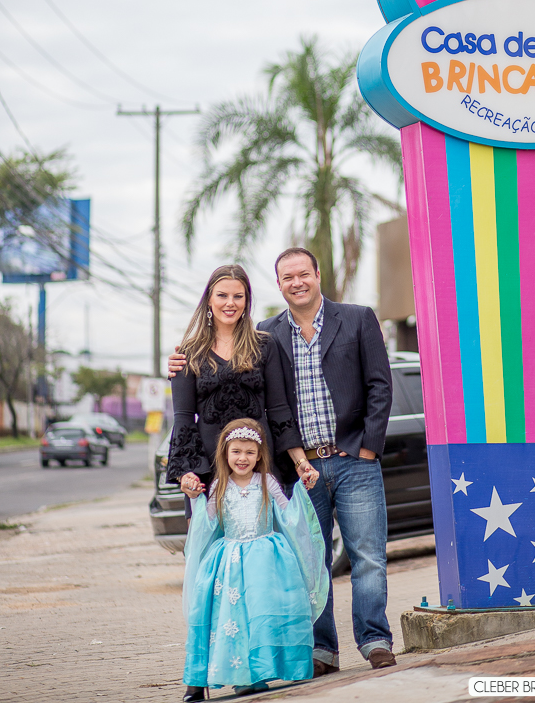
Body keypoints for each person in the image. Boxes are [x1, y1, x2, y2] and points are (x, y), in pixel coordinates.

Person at [170, 247, 395, 675]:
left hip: (342, 461)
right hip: (285, 471)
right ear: (278, 285)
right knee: (307, 557)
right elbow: (196, 412)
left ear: (316, 274)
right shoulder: (266, 336)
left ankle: (374, 640)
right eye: (287, 276)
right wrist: (184, 468)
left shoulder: (352, 319)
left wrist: (367, 447)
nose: (297, 282)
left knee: (367, 556)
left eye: (303, 274)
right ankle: (320, 650)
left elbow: (378, 386)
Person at [181, 418, 328, 701]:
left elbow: (288, 515)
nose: (242, 458)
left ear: (259, 455)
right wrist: (194, 498)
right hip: (230, 563)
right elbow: (208, 525)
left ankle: (257, 673)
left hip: (265, 562)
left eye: (250, 452)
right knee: (231, 618)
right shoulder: (218, 486)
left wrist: (301, 489)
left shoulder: (267, 482)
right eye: (236, 451)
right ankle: (229, 676)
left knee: (260, 616)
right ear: (225, 453)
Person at [166, 265, 317, 507]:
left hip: (260, 465)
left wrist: (300, 462)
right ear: (208, 300)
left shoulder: (265, 346)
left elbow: (279, 410)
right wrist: (186, 473)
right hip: (208, 470)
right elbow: (183, 419)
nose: (230, 303)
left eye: (238, 296)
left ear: (247, 302)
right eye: (222, 295)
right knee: (209, 544)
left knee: (264, 542)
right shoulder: (188, 353)